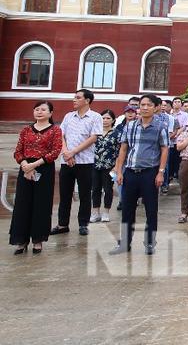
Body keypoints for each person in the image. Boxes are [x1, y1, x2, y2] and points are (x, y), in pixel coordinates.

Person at [109, 94, 170, 254]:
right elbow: (123, 149)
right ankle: (124, 243)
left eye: (148, 105)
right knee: (127, 210)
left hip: (150, 173)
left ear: (155, 108)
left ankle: (149, 243)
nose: (144, 108)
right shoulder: (130, 126)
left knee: (151, 210)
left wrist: (161, 172)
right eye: (142, 105)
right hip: (130, 172)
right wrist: (119, 171)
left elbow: (164, 149)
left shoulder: (160, 127)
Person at [10, 101, 63, 254]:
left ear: (50, 113)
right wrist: (25, 165)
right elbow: (18, 151)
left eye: (43, 109)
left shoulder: (55, 130)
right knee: (22, 204)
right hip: (25, 168)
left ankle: (37, 240)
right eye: (37, 109)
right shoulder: (26, 130)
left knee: (41, 204)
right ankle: (21, 240)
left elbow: (55, 152)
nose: (39, 112)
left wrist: (34, 165)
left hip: (44, 169)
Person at [52, 89, 102, 237]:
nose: (74, 100)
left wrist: (73, 152)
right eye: (74, 97)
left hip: (85, 162)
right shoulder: (68, 116)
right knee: (65, 194)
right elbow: (61, 135)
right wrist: (66, 153)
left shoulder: (95, 117)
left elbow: (93, 138)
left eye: (78, 97)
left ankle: (83, 224)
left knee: (85, 194)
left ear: (87, 100)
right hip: (66, 162)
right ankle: (62, 224)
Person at [90, 109, 122, 224]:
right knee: (95, 189)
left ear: (113, 120)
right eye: (103, 118)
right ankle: (95, 213)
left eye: (108, 118)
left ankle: (106, 212)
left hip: (110, 166)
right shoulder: (95, 132)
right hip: (95, 165)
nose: (105, 120)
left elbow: (120, 152)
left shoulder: (117, 133)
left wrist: (116, 167)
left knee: (108, 189)